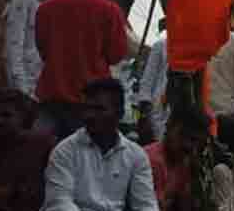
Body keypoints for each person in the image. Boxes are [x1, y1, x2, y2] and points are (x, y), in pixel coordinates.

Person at [35, 0, 128, 138]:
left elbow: (43, 51)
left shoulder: (47, 6)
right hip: (90, 108)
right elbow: (116, 55)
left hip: (49, 102)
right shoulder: (110, 11)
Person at [42, 78, 158, 211]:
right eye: (87, 108)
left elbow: (146, 205)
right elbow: (59, 204)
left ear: (119, 113)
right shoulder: (64, 151)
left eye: (99, 109)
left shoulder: (136, 155)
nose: (90, 115)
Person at [5, 0, 71, 101]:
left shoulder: (59, 6)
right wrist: (22, 93)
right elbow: (13, 51)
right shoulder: (25, 0)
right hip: (25, 93)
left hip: (46, 94)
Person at [106, 0, 143, 132]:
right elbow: (139, 49)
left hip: (125, 87)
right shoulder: (116, 26)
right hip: (112, 82)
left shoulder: (125, 27)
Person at [135, 19, 168, 144]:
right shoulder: (160, 46)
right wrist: (144, 117)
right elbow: (147, 82)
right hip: (157, 114)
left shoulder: (196, 50)